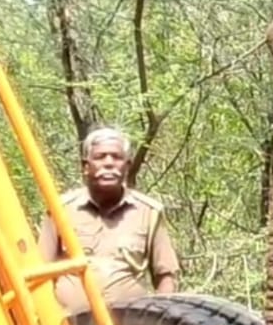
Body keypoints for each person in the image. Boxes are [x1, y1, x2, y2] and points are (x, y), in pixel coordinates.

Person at [37, 127, 179, 314]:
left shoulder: (149, 212)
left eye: (116, 157)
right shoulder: (60, 210)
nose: (109, 163)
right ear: (86, 166)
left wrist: (160, 319)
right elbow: (39, 273)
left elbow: (166, 275)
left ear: (127, 166)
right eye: (100, 157)